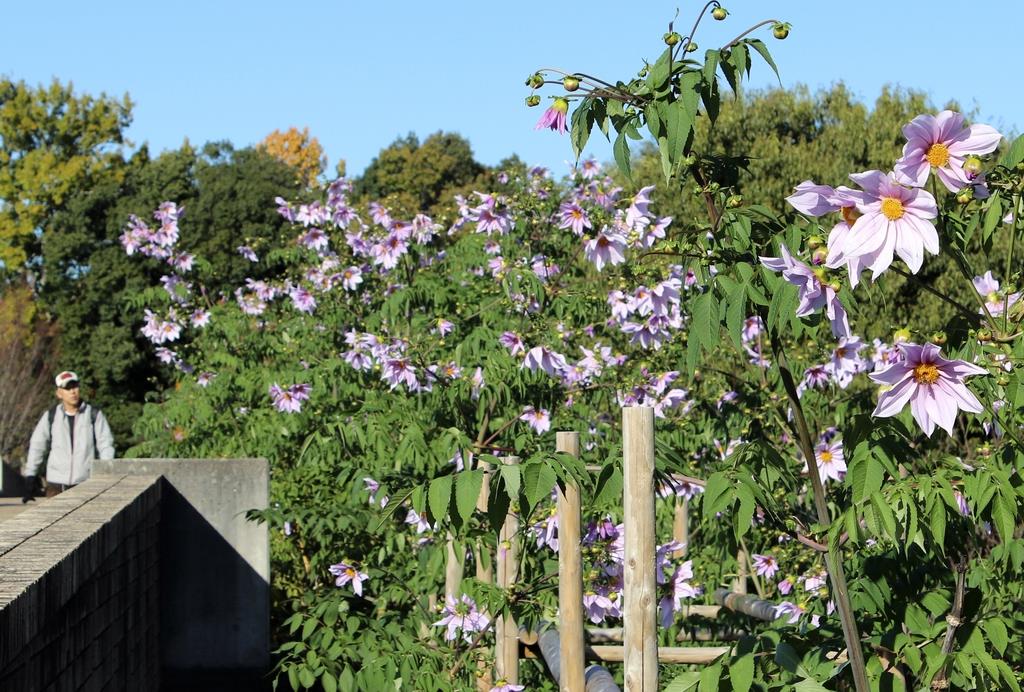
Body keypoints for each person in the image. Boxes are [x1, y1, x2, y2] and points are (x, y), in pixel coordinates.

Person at [22, 370, 115, 502]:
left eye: (75, 386)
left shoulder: (93, 415)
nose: (73, 392)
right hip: (56, 486)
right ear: (59, 393)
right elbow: (37, 445)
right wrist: (30, 475)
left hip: (85, 484)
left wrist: (106, 474)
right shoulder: (51, 416)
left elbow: (106, 445)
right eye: (67, 388)